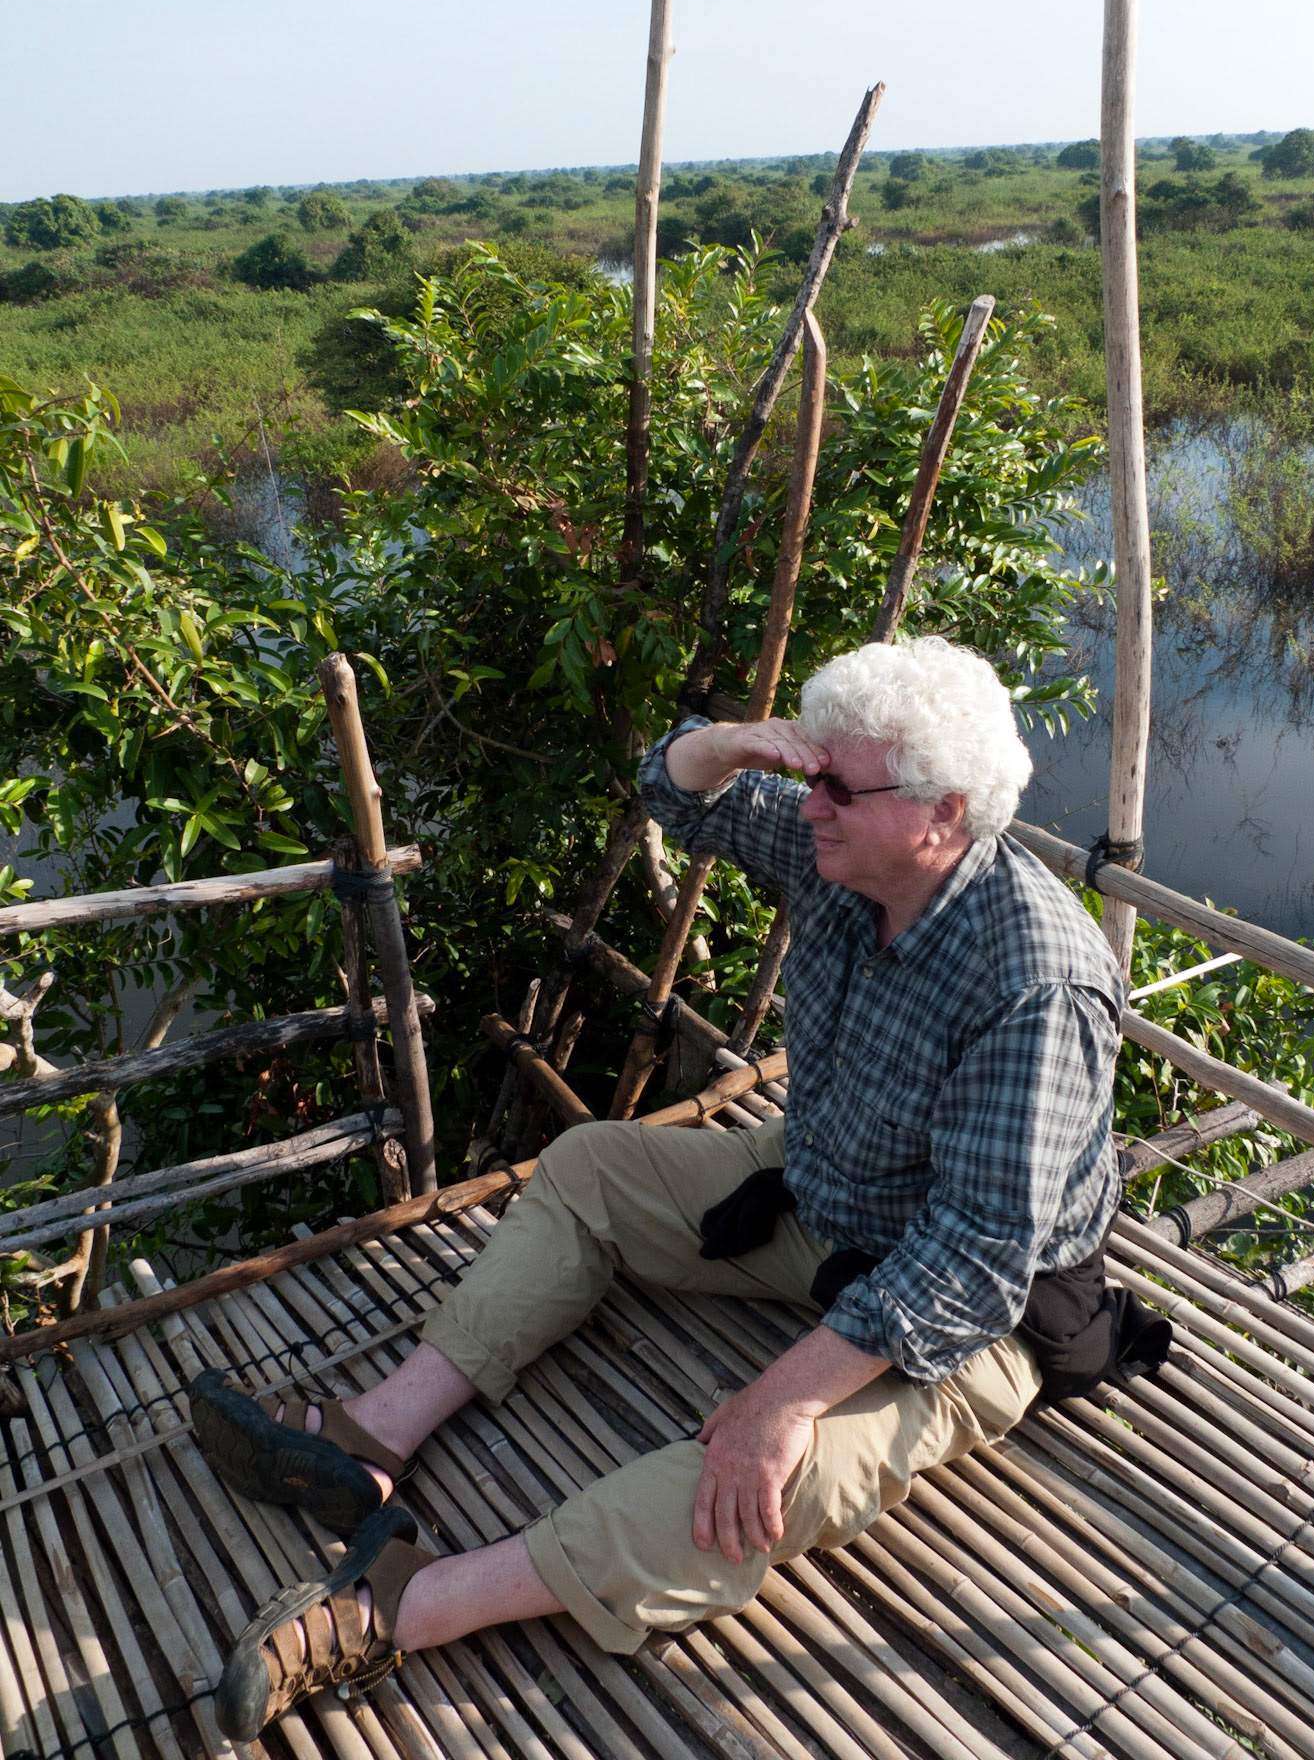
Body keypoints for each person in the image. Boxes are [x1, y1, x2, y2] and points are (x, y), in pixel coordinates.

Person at [196, 635, 1128, 1743]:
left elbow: (975, 1253)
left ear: (942, 813)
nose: (808, 801)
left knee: (780, 1476)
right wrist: (735, 741)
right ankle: (372, 1437)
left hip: (977, 1305)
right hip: (825, 1191)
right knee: (592, 1163)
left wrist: (782, 1400)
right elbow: (673, 793)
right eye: (809, 775)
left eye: (837, 784)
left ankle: (399, 1602)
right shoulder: (844, 853)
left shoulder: (1038, 977)